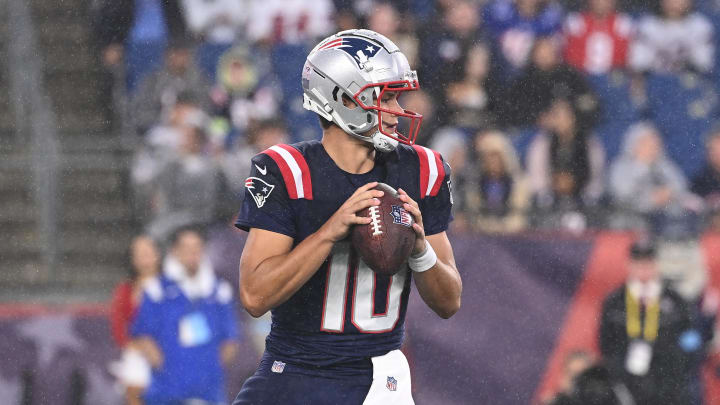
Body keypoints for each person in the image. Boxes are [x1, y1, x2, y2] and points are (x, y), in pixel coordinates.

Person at [232, 29, 462, 404]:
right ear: (343, 98)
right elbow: (255, 295)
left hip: (379, 381)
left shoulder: (422, 169)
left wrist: (421, 251)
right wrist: (329, 233)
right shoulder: (287, 170)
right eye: (387, 98)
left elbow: (449, 302)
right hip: (297, 373)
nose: (400, 113)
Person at [131, 226, 240, 405]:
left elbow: (231, 340)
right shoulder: (156, 290)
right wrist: (166, 369)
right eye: (186, 248)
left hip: (209, 392)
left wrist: (209, 370)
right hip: (166, 393)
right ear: (174, 251)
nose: (192, 254)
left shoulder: (219, 291)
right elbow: (143, 336)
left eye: (197, 248)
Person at [598, 238, 697, 405]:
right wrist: (621, 368)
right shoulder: (614, 302)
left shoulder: (676, 301)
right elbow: (605, 343)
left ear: (657, 264)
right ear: (629, 264)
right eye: (639, 263)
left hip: (669, 384)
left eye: (648, 262)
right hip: (627, 384)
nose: (644, 268)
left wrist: (673, 364)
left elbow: (690, 339)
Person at [109, 235, 161, 405]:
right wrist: (141, 347)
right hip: (137, 352)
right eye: (139, 254)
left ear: (157, 254)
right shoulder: (124, 290)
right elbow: (119, 329)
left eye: (148, 252)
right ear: (132, 259)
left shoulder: (172, 287)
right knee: (134, 383)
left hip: (168, 351)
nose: (144, 257)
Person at [563, 0, 633, 75]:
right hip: (581, 78)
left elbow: (629, 59)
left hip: (612, 78)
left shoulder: (622, 24)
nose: (601, 3)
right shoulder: (576, 22)